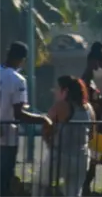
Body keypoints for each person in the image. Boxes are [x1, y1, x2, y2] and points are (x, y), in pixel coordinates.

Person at [0, 42, 52, 195]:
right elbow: (19, 114)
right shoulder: (18, 80)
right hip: (7, 139)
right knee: (4, 180)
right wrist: (43, 119)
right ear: (22, 59)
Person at [35, 76, 94, 197]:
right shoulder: (89, 108)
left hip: (60, 155)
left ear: (65, 91)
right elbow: (92, 133)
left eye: (57, 88)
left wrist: (49, 142)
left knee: (40, 184)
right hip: (81, 156)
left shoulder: (61, 106)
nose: (54, 91)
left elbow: (46, 127)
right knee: (74, 192)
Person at [81, 41, 102, 195]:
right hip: (90, 129)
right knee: (88, 166)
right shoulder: (84, 82)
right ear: (94, 63)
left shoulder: (94, 83)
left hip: (97, 128)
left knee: (93, 165)